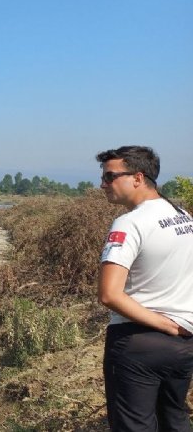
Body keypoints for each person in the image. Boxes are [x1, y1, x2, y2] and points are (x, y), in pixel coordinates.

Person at [96, 146, 193, 431]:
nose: (103, 184)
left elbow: (109, 294)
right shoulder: (183, 216)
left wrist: (165, 325)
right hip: (184, 343)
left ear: (138, 177)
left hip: (138, 341)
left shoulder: (129, 224)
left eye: (110, 177)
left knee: (134, 425)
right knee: (174, 419)